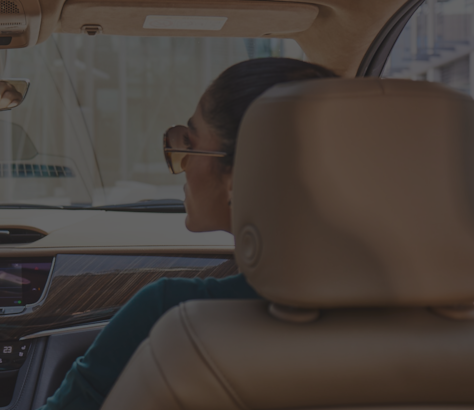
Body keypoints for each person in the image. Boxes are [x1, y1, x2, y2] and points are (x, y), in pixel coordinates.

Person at [37, 58, 338, 410]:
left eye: (188, 144)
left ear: (236, 175)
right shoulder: (414, 318)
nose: (181, 163)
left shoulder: (170, 314)